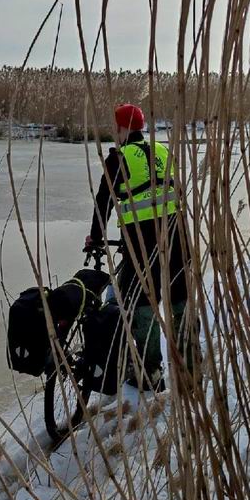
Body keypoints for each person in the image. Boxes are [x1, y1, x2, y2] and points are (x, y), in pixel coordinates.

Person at [84, 103, 188, 386]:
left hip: (144, 243)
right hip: (178, 238)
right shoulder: (163, 151)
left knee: (144, 304)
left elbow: (103, 201)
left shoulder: (119, 158)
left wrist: (96, 236)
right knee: (180, 300)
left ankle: (151, 372)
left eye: (115, 127)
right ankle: (190, 365)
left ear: (122, 128)